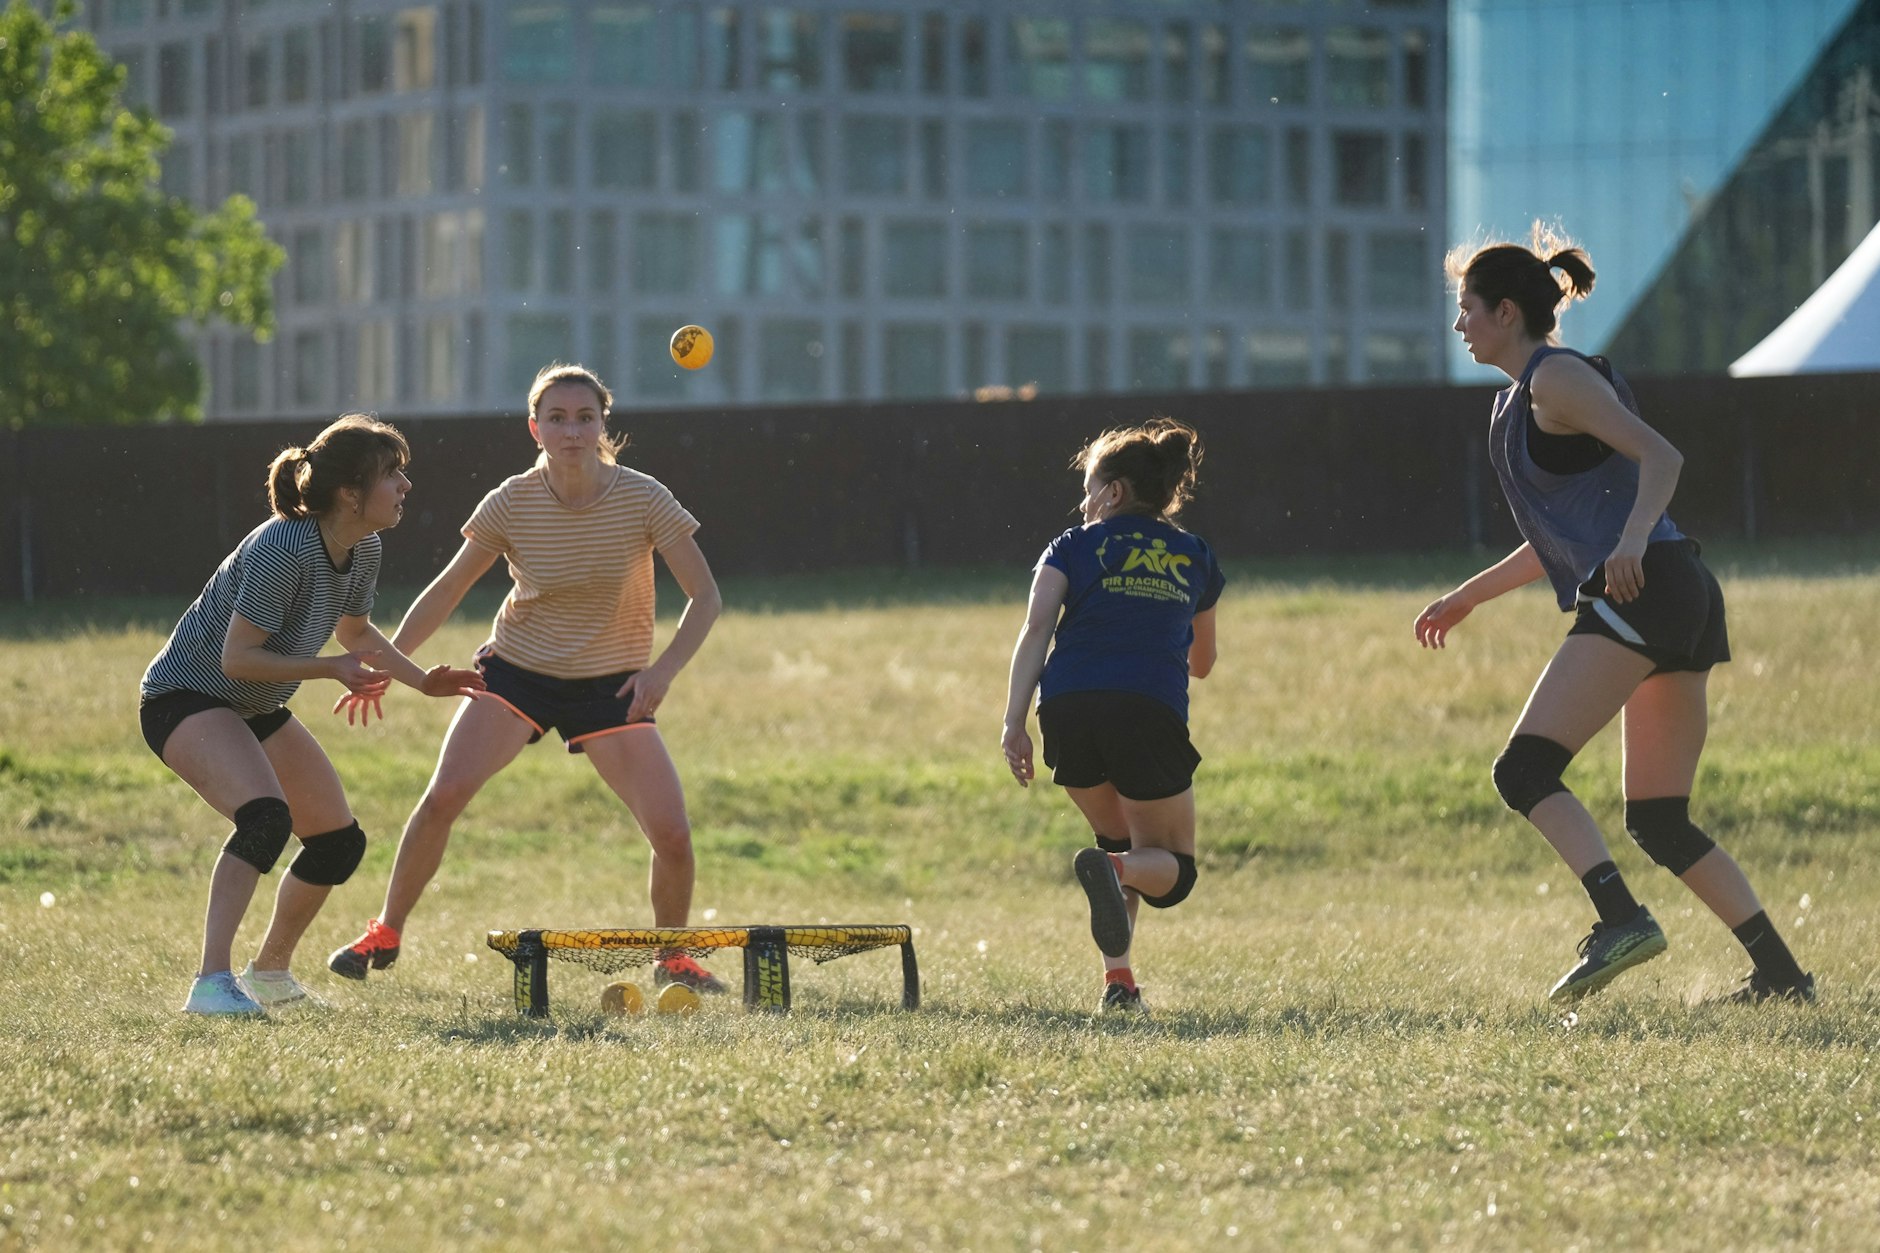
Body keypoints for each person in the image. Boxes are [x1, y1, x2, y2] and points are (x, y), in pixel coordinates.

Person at [1416, 225, 1813, 1005]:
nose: (1458, 324)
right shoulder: (1516, 401)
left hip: (1650, 585)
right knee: (1660, 818)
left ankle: (1620, 918)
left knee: (1523, 770)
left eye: (1466, 308)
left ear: (1504, 311)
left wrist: (1632, 541)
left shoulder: (1553, 380)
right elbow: (1557, 543)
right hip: (1673, 590)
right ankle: (1783, 976)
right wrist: (1467, 596)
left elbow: (1661, 458)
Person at [329, 363, 728, 993]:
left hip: (613, 684)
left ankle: (672, 956)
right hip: (518, 673)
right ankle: (385, 929)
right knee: (443, 797)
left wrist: (664, 672)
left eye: (585, 418)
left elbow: (704, 597)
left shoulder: (644, 497)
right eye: (557, 418)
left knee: (673, 833)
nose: (572, 431)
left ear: (602, 424)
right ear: (535, 428)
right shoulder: (511, 500)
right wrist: (388, 662)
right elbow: (448, 589)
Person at [141, 415, 486, 1016]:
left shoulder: (363, 546)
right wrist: (330, 669)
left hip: (253, 704)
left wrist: (421, 681)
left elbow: (355, 632)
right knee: (265, 819)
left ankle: (270, 973)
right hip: (185, 698)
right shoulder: (283, 546)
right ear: (350, 493)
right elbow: (238, 658)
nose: (405, 486)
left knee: (337, 843)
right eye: (392, 475)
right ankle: (210, 983)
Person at [1001, 418, 1224, 1014]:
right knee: (1170, 867)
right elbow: (1202, 662)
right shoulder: (1194, 553)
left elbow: (1035, 631)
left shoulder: (1070, 546)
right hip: (1145, 706)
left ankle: (1119, 985)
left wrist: (1012, 722)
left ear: (1115, 492)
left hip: (1065, 708)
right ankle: (1113, 866)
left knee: (1116, 843)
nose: (1082, 500)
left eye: (1089, 485)